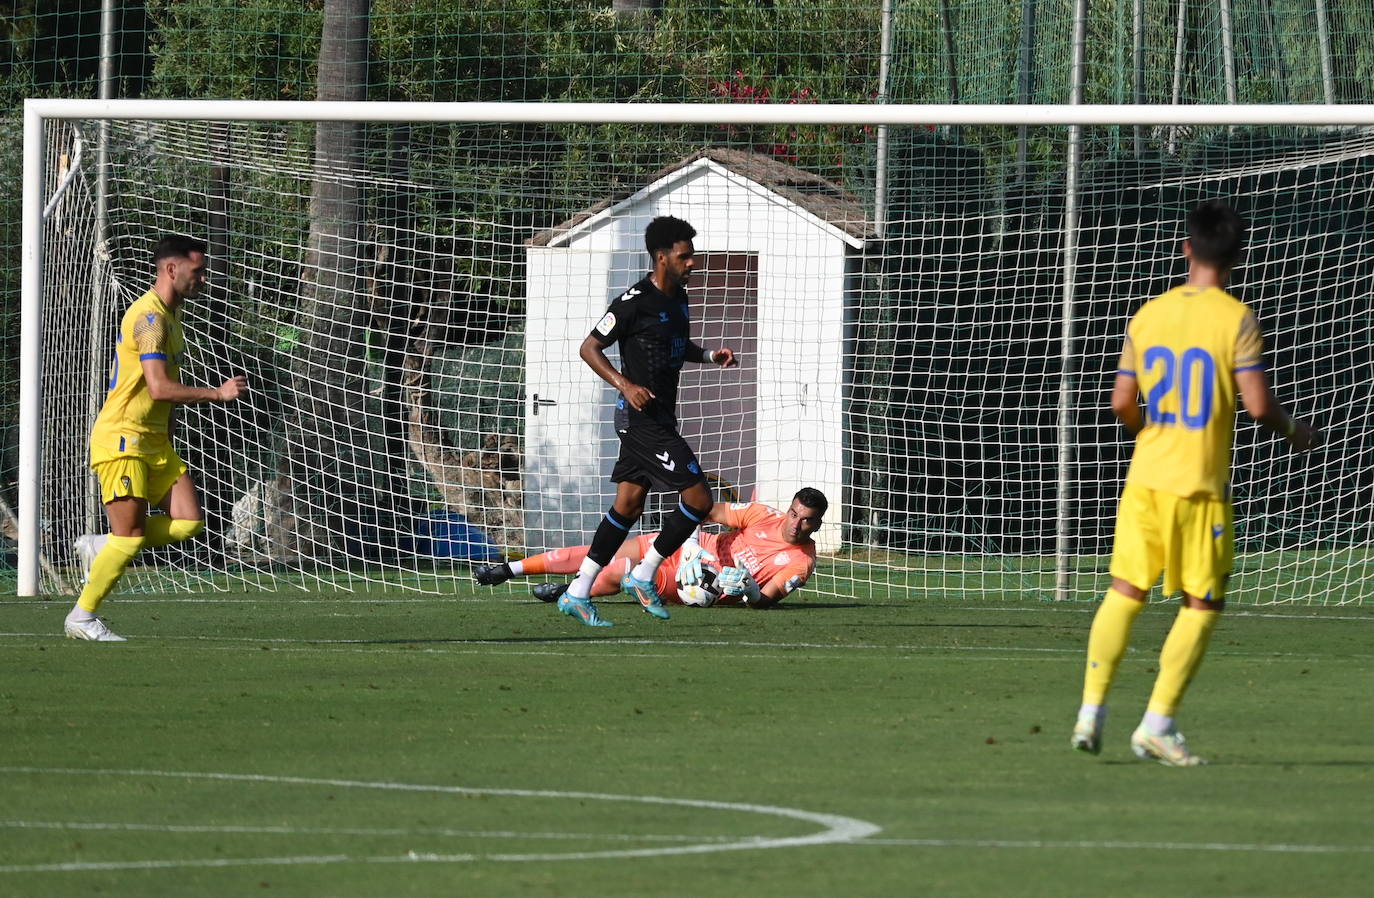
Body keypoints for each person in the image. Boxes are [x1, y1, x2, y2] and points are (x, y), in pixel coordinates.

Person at [1071, 200, 1318, 765]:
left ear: (1187, 249)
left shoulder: (1148, 314)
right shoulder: (1236, 318)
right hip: (1199, 486)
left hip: (1145, 479)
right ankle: (1157, 722)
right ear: (1236, 257)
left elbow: (1121, 403)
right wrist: (1293, 430)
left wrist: (1147, 431)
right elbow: (1256, 406)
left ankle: (1091, 711)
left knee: (1126, 591)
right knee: (1202, 602)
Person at [553, 216, 738, 627]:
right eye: (685, 256)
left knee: (629, 504)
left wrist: (709, 356)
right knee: (698, 499)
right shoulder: (632, 301)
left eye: (693, 256)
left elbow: (675, 344)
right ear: (661, 257)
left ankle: (577, 591)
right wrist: (625, 383)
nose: (693, 263)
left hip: (660, 418)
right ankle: (643, 573)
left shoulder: (679, 298)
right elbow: (589, 347)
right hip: (640, 421)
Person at [64, 235, 248, 641]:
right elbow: (160, 387)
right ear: (171, 269)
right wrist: (217, 394)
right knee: (128, 538)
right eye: (198, 271)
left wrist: (168, 433)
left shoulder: (172, 318)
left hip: (154, 441)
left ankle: (103, 545)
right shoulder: (149, 319)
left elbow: (161, 399)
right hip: (123, 439)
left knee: (188, 523)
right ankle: (82, 617)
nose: (203, 278)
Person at [476, 488, 827, 609]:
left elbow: (766, 599)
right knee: (602, 551)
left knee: (617, 572)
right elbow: (702, 509)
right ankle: (508, 570)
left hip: (701, 584)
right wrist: (690, 544)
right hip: (696, 550)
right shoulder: (763, 515)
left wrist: (749, 589)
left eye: (805, 520)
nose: (795, 523)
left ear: (816, 525)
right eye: (794, 513)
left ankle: (571, 591)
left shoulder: (801, 563)